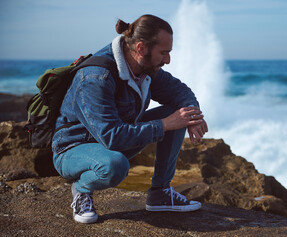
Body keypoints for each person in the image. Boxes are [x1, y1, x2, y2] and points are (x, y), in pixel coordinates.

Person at [52, 14, 208, 224]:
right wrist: (164, 124)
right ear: (141, 48)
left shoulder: (144, 67)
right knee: (115, 166)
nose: (168, 60)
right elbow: (112, 138)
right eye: (164, 53)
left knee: (180, 112)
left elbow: (177, 90)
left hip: (109, 142)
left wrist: (193, 114)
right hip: (73, 150)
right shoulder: (95, 77)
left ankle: (160, 193)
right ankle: (81, 188)